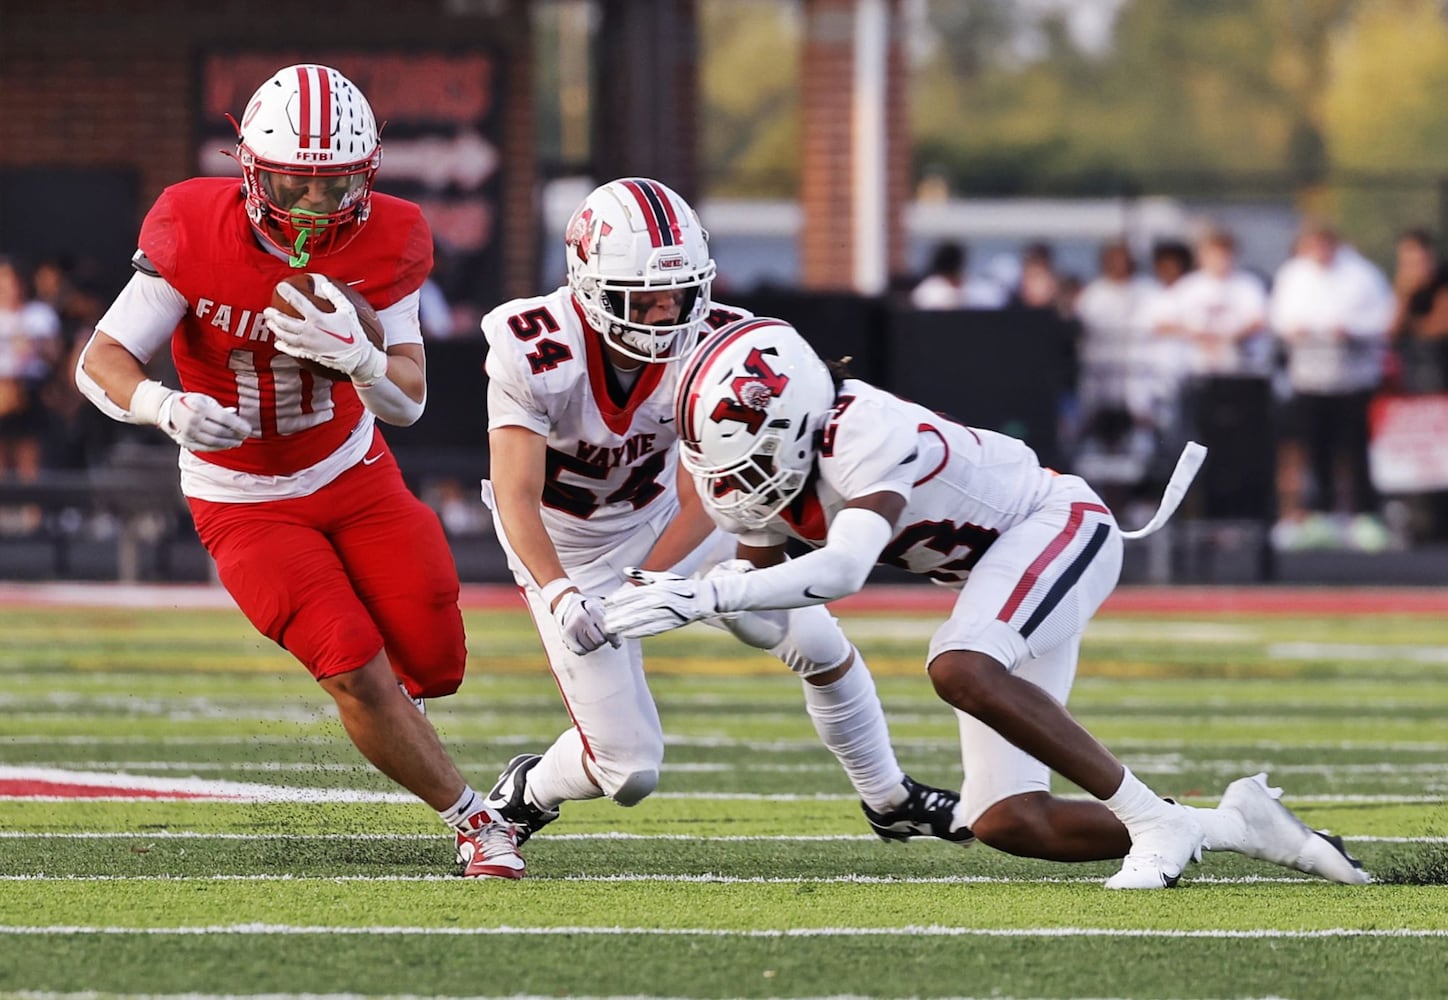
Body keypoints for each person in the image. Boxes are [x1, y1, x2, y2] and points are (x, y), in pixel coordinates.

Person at [603, 317, 1370, 891]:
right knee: (1008, 820)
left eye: (753, 454)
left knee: (959, 664)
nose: (739, 482)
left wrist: (708, 589)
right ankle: (1241, 826)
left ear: (797, 415)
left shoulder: (864, 428)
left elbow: (841, 571)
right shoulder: (769, 470)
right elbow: (770, 620)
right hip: (995, 571)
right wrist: (700, 604)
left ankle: (1155, 819)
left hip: (1059, 525)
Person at [73, 64, 522, 879]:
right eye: (295, 182)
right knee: (352, 663)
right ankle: (476, 820)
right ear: (249, 167)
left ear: (370, 171)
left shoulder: (391, 232)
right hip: (241, 497)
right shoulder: (191, 222)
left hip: (355, 472)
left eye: (337, 183)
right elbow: (99, 359)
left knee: (438, 658)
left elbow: (410, 403)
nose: (316, 205)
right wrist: (163, 407)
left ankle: (398, 716)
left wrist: (362, 359)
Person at [479, 177, 970, 875]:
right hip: (568, 548)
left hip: (677, 523)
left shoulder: (711, 342)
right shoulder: (534, 345)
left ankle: (890, 799)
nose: (662, 314)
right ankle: (526, 792)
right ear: (588, 285)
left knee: (816, 638)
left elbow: (698, 494)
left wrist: (652, 585)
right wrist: (565, 596)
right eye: (641, 298)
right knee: (630, 771)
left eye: (677, 296)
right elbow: (515, 495)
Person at [1268, 221, 1395, 552]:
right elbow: (1280, 318)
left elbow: (1383, 319)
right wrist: (1297, 330)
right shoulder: (1293, 274)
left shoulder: (1363, 275)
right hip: (1309, 379)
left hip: (1352, 380)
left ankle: (1366, 516)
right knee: (1315, 450)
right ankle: (1321, 516)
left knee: (1355, 450)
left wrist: (1349, 329)